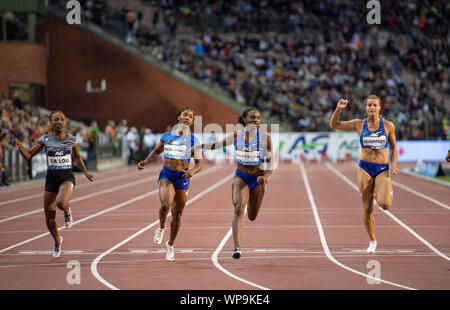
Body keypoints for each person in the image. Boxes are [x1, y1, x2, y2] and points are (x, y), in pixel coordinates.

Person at [191, 107, 274, 259]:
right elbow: (217, 144)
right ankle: (237, 247)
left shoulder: (265, 139)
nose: (256, 120)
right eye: (252, 117)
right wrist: (199, 146)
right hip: (241, 177)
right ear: (244, 119)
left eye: (258, 118)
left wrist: (266, 177)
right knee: (238, 209)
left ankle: (250, 202)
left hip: (258, 180)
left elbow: (270, 164)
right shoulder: (237, 136)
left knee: (252, 216)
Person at [12, 110, 94, 257]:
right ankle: (57, 240)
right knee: (50, 219)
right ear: (51, 122)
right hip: (51, 179)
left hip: (66, 176)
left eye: (62, 119)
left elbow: (77, 157)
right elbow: (29, 155)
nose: (59, 122)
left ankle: (67, 212)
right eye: (56, 120)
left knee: (61, 203)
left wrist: (86, 172)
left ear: (65, 122)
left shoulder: (71, 139)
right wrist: (20, 147)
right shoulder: (45, 139)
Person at [330, 95, 398, 254]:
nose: (372, 108)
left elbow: (394, 147)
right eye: (369, 105)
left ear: (380, 107)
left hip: (382, 168)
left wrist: (394, 165)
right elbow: (334, 125)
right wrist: (338, 110)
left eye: (374, 105)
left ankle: (382, 192)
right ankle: (372, 240)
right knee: (367, 208)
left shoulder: (388, 126)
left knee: (385, 204)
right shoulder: (359, 124)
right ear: (365, 108)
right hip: (365, 168)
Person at [137, 107, 202, 261]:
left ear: (192, 122)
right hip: (167, 175)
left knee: (178, 215)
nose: (188, 118)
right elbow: (157, 151)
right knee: (166, 204)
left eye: (191, 117)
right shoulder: (167, 136)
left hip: (182, 177)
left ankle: (170, 245)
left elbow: (199, 164)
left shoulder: (194, 140)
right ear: (178, 117)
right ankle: (161, 227)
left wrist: (191, 172)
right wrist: (146, 160)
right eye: (185, 115)